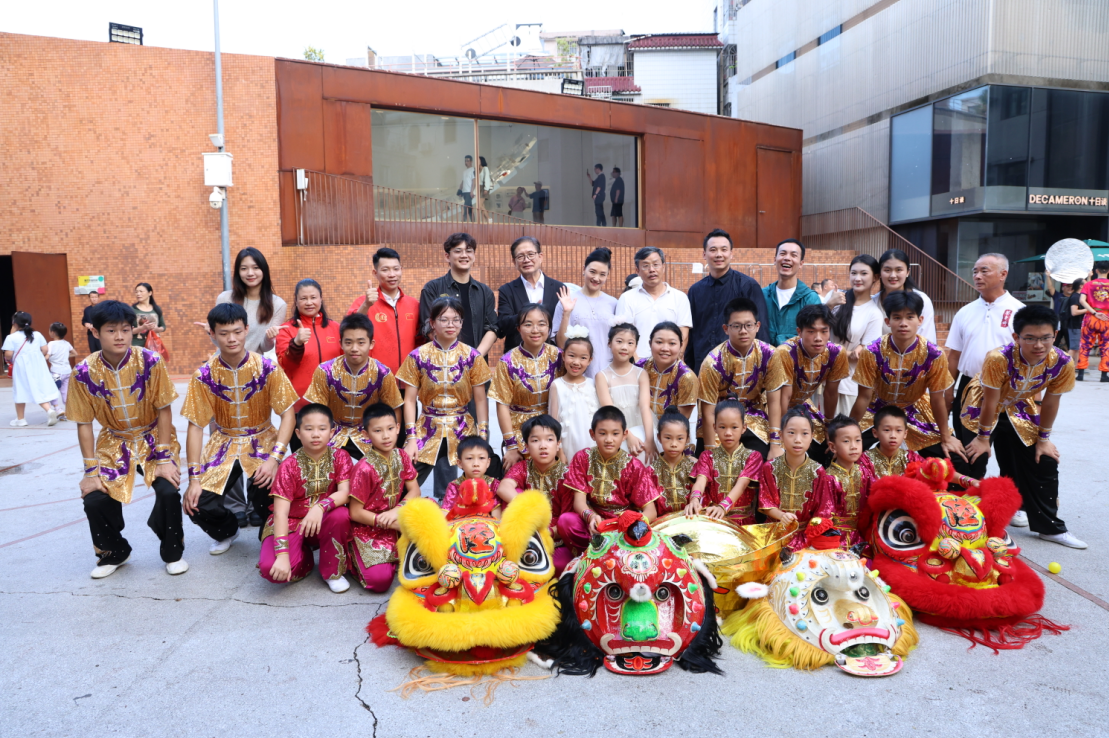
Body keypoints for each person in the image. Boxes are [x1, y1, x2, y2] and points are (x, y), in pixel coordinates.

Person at [67, 300, 185, 579]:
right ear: (96, 333)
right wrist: (90, 472)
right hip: (113, 440)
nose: (119, 336)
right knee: (94, 498)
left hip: (154, 435)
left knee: (168, 489)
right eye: (111, 330)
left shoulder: (150, 360)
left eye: (125, 329)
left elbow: (163, 409)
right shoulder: (83, 372)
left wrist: (165, 458)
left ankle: (172, 552)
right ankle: (114, 552)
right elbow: (84, 424)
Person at [962, 305, 1086, 549]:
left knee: (1044, 459)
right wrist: (984, 438)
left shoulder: (1062, 362)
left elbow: (1050, 402)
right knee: (974, 458)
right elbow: (991, 400)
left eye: (1045, 338)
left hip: (1020, 405)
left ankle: (1048, 526)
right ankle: (965, 523)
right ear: (1016, 337)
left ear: (1056, 334)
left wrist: (1043, 439)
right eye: (1030, 338)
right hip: (981, 405)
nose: (1038, 345)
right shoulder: (998, 358)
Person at [181, 303, 298, 554]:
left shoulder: (267, 368)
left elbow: (288, 414)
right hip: (223, 442)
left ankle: (270, 537)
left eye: (236, 331)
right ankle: (227, 531)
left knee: (268, 494)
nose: (231, 338)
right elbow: (195, 426)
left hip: (262, 440)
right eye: (223, 333)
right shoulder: (203, 375)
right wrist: (193, 479)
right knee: (197, 502)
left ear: (246, 330)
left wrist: (275, 458)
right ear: (211, 334)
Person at [850, 291, 964, 461]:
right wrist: (849, 431)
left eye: (910, 317)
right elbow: (864, 397)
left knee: (954, 460)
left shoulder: (934, 354)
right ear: (888, 321)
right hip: (876, 408)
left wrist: (946, 436)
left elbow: (937, 399)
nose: (903, 323)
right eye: (897, 318)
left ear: (920, 320)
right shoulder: (872, 351)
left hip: (915, 408)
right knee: (844, 452)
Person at [397, 296, 492, 497]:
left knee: (478, 481)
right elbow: (410, 400)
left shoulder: (472, 356)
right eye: (444, 319)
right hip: (427, 426)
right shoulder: (418, 356)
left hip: (462, 426)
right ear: (432, 323)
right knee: (405, 478)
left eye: (456, 319)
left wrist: (482, 435)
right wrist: (411, 438)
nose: (451, 325)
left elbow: (481, 399)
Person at [943, 253, 1024, 479]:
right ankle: (970, 508)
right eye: (975, 272)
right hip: (970, 387)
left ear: (1003, 274)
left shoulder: (1019, 311)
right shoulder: (964, 312)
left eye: (984, 271)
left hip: (1009, 390)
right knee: (970, 455)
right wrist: (948, 393)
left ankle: (1013, 507)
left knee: (1011, 455)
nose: (977, 276)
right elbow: (954, 357)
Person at [258, 404, 355, 593]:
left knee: (341, 515)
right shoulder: (288, 465)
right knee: (272, 570)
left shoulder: (341, 457)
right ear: (298, 433)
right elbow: (280, 514)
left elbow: (345, 493)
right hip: (292, 522)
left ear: (332, 432)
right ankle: (305, 559)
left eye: (322, 428)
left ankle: (332, 572)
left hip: (324, 520)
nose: (316, 434)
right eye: (309, 429)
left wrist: (320, 507)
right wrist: (283, 556)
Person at [556, 406, 662, 552]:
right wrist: (591, 517)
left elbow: (651, 511)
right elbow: (579, 501)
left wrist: (628, 524)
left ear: (624, 435)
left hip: (623, 527)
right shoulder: (582, 458)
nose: (609, 439)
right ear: (592, 434)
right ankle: (586, 558)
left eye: (615, 433)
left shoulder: (634, 466)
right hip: (593, 524)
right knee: (566, 521)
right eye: (602, 433)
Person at [303, 313, 403, 460]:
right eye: (348, 342)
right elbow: (317, 411)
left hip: (368, 433)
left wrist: (390, 443)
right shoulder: (325, 371)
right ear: (341, 343)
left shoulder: (382, 372)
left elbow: (394, 408)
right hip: (332, 434)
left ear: (371, 344)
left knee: (385, 472)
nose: (354, 348)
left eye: (361, 343)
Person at [347, 402, 420, 592]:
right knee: (379, 582)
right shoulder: (364, 468)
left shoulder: (402, 456)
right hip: (370, 526)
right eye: (378, 431)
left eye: (389, 429)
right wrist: (383, 520)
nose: (386, 436)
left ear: (398, 428)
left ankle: (398, 556)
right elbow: (355, 512)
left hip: (396, 517)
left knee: (429, 510)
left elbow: (415, 491)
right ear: (366, 435)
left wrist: (397, 510)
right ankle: (351, 558)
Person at [766, 304, 849, 465]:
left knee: (826, 445)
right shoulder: (785, 352)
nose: (818, 338)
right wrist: (782, 433)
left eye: (824, 331)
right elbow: (785, 396)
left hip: (802, 404)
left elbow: (831, 393)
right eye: (811, 332)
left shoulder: (836, 353)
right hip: (773, 405)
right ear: (799, 332)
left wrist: (828, 426)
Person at [698, 297, 775, 458]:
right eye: (737, 326)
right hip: (720, 420)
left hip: (755, 417)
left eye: (748, 325)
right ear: (726, 328)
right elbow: (708, 411)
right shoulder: (712, 362)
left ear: (757, 326)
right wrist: (710, 454)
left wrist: (776, 444)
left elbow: (775, 401)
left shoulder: (770, 355)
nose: (743, 331)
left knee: (762, 458)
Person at [490, 304, 564, 469]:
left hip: (553, 427)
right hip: (520, 432)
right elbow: (502, 404)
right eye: (528, 324)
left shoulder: (559, 356)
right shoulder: (507, 361)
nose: (535, 330)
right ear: (519, 329)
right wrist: (511, 446)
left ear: (549, 328)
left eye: (541, 324)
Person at [687, 229, 771, 370]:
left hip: (739, 366)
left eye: (724, 249)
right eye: (713, 250)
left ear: (731, 254)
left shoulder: (748, 286)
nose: (719, 254)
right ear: (704, 254)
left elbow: (760, 330)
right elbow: (691, 333)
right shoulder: (695, 291)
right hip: (702, 365)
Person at [496, 415, 572, 571]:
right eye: (536, 440)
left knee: (558, 564)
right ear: (526, 446)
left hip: (555, 537)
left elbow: (567, 518)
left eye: (549, 440)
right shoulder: (523, 467)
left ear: (558, 444)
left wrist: (546, 532)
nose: (543, 446)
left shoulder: (567, 475)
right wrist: (533, 511)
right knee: (512, 493)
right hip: (526, 532)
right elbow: (503, 488)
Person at [757, 407, 834, 550]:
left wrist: (812, 532)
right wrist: (781, 516)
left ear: (812, 437)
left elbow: (823, 510)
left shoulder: (818, 471)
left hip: (806, 535)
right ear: (781, 435)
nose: (798, 440)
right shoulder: (770, 467)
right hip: (774, 533)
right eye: (791, 433)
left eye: (804, 434)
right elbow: (765, 503)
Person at [419, 233, 498, 358]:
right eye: (458, 251)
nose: (464, 255)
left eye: (469, 251)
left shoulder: (485, 291)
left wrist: (475, 357)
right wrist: (453, 357)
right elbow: (428, 326)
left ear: (474, 256)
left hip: (477, 366)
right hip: (443, 363)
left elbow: (492, 328)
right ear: (447, 256)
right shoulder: (432, 288)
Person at [347, 247, 424, 375]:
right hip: (375, 379)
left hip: (409, 380)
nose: (392, 274)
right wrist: (366, 305)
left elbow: (421, 341)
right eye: (385, 270)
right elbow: (348, 329)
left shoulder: (414, 304)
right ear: (375, 273)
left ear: (401, 270)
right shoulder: (363, 302)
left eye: (396, 269)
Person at [689, 399, 763, 525]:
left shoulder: (753, 456)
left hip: (744, 522)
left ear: (744, 428)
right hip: (714, 519)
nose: (728, 433)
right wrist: (695, 499)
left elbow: (742, 485)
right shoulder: (707, 456)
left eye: (734, 427)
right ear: (715, 427)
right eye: (722, 427)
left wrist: (723, 506)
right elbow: (701, 481)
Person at [275, 278, 343, 415]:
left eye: (313, 297)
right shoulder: (286, 330)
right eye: (303, 298)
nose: (309, 302)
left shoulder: (336, 328)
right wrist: (297, 343)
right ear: (296, 301)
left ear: (321, 299)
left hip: (334, 404)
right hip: (300, 407)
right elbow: (286, 365)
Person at [829, 255, 884, 417]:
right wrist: (829, 304)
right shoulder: (835, 300)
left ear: (875, 277)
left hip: (848, 385)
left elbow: (862, 356)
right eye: (853, 273)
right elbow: (814, 332)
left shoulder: (874, 313)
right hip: (821, 380)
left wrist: (832, 350)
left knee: (841, 435)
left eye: (863, 274)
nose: (857, 278)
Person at [553, 247, 619, 378]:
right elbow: (560, 344)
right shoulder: (567, 300)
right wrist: (566, 313)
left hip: (609, 374)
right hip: (577, 376)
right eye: (592, 272)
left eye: (602, 274)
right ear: (584, 270)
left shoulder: (613, 303)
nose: (596, 278)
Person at [615, 247, 692, 358]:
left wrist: (674, 361)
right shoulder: (627, 298)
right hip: (637, 365)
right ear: (637, 271)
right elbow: (624, 335)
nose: (652, 270)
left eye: (656, 264)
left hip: (669, 363)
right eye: (646, 266)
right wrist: (638, 364)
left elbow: (683, 335)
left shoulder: (680, 297)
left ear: (663, 267)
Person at [638, 322, 698, 458]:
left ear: (681, 346)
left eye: (672, 343)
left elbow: (681, 421)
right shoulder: (639, 367)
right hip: (641, 428)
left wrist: (656, 439)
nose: (665, 348)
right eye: (659, 342)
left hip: (672, 437)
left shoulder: (687, 377)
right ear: (649, 343)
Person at [496, 237, 565, 353]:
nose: (526, 260)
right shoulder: (506, 290)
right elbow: (503, 325)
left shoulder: (559, 288)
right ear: (514, 262)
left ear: (540, 257)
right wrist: (528, 313)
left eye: (531, 254)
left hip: (551, 358)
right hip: (517, 359)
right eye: (520, 256)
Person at [215, 247, 288, 355]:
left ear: (264, 270)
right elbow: (219, 341)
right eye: (244, 268)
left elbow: (265, 348)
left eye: (256, 267)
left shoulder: (278, 304)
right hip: (225, 366)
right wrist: (210, 331)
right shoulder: (225, 298)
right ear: (238, 272)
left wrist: (269, 338)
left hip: (254, 368)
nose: (250, 273)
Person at [814, 414, 871, 547]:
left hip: (863, 536)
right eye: (846, 441)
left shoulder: (865, 472)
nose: (853, 446)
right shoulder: (828, 477)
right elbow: (825, 514)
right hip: (837, 538)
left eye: (858, 440)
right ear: (832, 447)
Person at [596, 323, 652, 457]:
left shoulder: (641, 373)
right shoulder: (602, 376)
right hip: (616, 430)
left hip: (641, 426)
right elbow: (610, 409)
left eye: (630, 343)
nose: (624, 347)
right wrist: (628, 435)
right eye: (619, 341)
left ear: (636, 347)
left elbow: (645, 407)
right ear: (609, 343)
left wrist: (650, 439)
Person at [547, 329, 600, 461]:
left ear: (590, 360)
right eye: (572, 356)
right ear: (564, 356)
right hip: (567, 445)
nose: (576, 362)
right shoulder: (557, 385)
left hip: (591, 443)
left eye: (583, 358)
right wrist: (559, 452)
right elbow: (554, 421)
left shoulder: (593, 384)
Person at [762, 239, 823, 347]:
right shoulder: (762, 295)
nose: (787, 258)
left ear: (801, 263)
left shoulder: (810, 299)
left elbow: (815, 335)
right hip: (764, 361)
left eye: (793, 255)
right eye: (783, 253)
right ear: (775, 260)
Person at [4, 312, 59, 427]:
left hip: (21, 366)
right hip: (38, 365)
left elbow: (8, 354)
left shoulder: (11, 337)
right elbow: (44, 349)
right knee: (37, 386)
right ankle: (49, 410)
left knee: (20, 389)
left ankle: (21, 419)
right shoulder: (37, 334)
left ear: (14, 324)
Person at [874, 249, 937, 343]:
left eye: (899, 270)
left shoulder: (922, 300)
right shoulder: (873, 302)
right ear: (880, 273)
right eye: (887, 270)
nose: (892, 275)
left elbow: (927, 339)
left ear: (908, 272)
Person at [647, 407, 697, 517]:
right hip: (661, 525)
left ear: (687, 439)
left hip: (690, 520)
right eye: (668, 438)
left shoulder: (694, 468)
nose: (674, 444)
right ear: (659, 438)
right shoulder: (651, 471)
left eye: (679, 438)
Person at [440, 436, 501, 514]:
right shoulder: (454, 486)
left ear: (488, 462)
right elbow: (445, 513)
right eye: (469, 458)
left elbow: (497, 516)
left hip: (487, 524)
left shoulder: (493, 484)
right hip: (461, 524)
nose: (476, 464)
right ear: (459, 463)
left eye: (481, 458)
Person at [861, 405, 923, 478]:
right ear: (875, 433)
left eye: (898, 430)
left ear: (905, 434)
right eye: (887, 430)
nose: (893, 435)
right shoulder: (865, 460)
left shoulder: (913, 459)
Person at [1076, 260, 1109, 382]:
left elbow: (1082, 301)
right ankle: (1104, 375)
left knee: (1085, 344)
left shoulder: (1088, 284)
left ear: (1096, 271)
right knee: (1106, 346)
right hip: (1107, 318)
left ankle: (1080, 374)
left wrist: (1095, 312)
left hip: (1091, 317)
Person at [45, 322, 76, 419]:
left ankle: (57, 408)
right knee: (65, 391)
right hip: (67, 371)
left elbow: (47, 356)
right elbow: (75, 353)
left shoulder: (51, 344)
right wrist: (65, 356)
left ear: (53, 332)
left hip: (56, 372)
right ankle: (69, 411)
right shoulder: (66, 343)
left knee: (53, 390)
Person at [131, 283, 167, 351]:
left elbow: (163, 326)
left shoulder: (157, 309)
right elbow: (128, 331)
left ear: (150, 293)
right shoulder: (132, 310)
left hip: (154, 347)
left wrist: (157, 329)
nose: (138, 294)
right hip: (137, 347)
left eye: (141, 291)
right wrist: (142, 328)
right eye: (136, 292)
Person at [1044, 267, 1073, 351]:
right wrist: (1048, 276)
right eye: (1067, 286)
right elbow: (1050, 287)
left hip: (1070, 323)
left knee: (1071, 345)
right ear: (1063, 288)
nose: (1070, 288)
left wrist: (1089, 276)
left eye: (1071, 286)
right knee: (1054, 344)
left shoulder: (1076, 297)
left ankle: (1072, 363)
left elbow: (1085, 289)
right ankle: (1051, 361)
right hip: (1057, 322)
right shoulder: (1057, 295)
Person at [1064, 278, 1087, 364]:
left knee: (1077, 348)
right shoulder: (1075, 297)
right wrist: (1088, 310)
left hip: (1078, 325)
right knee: (1074, 348)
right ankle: (1063, 366)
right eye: (1085, 283)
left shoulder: (1079, 296)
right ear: (1081, 286)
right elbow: (1074, 312)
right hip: (1075, 326)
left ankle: (1076, 366)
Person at [459, 155, 475, 222]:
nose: (466, 162)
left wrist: (472, 191)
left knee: (465, 207)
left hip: (469, 191)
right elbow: (463, 181)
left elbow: (474, 181)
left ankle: (463, 221)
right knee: (470, 209)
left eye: (468, 161)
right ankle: (474, 222)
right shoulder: (464, 171)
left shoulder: (473, 169)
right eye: (465, 161)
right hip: (464, 192)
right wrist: (460, 190)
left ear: (471, 161)